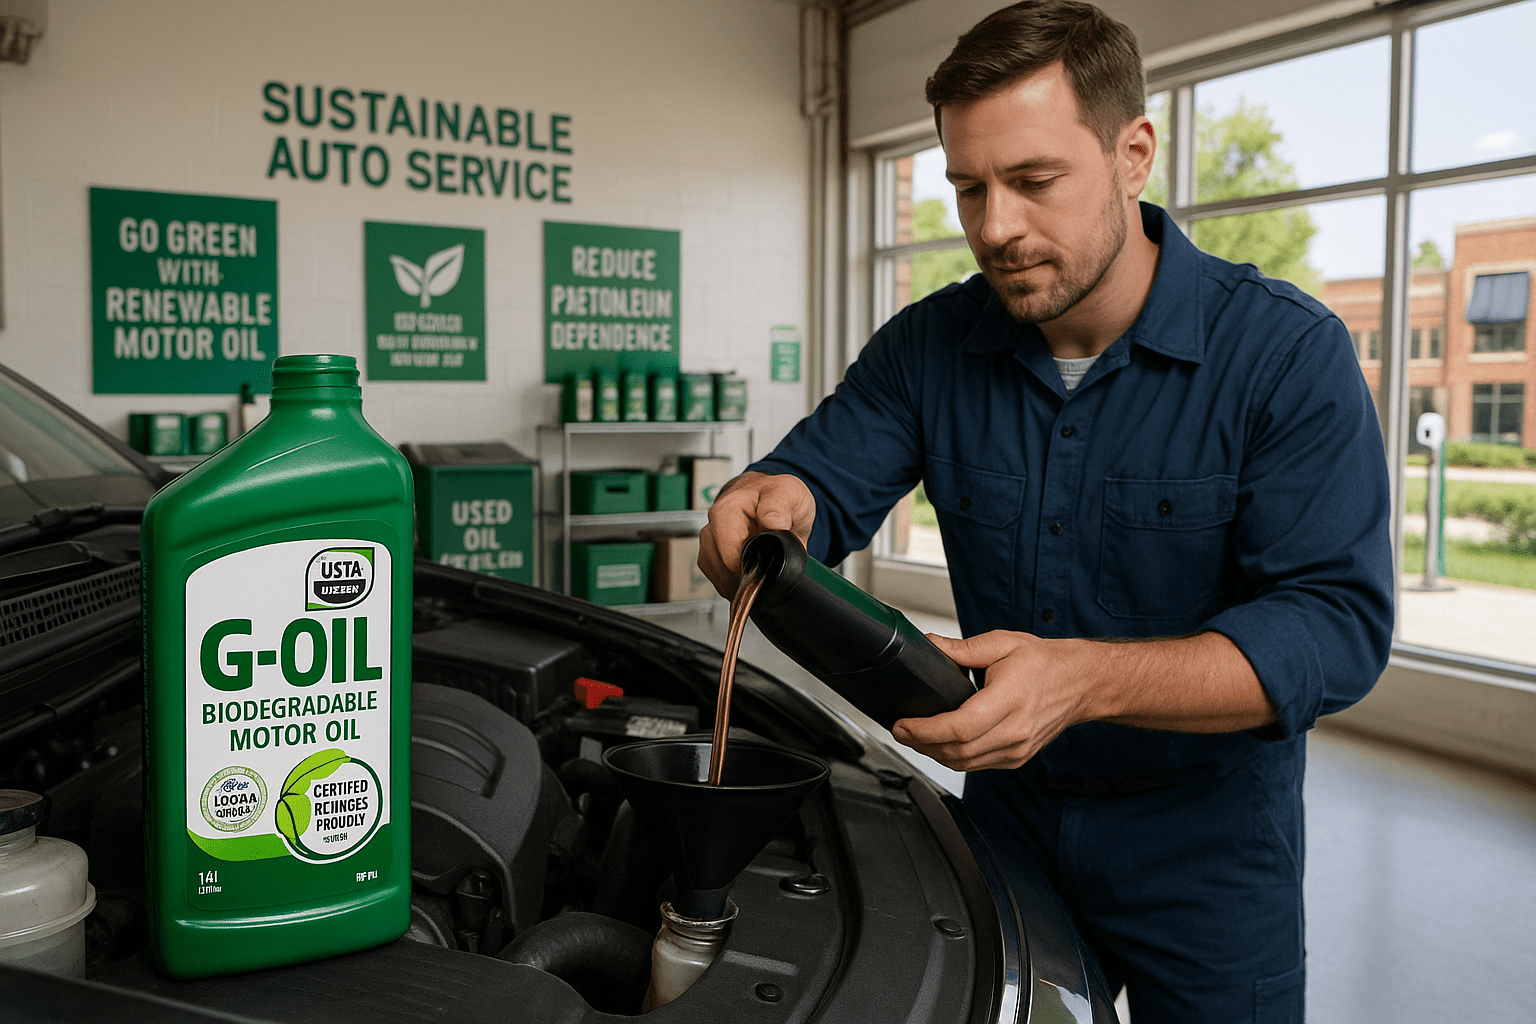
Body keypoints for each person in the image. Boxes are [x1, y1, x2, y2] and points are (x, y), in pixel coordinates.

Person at [698, 2, 1393, 1021]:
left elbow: (1336, 630)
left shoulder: (1285, 358)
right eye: (968, 188)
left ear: (1133, 154)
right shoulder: (927, 348)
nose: (993, 228)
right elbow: (818, 484)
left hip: (1210, 851)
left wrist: (1086, 681)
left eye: (1032, 182)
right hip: (1005, 828)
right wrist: (769, 499)